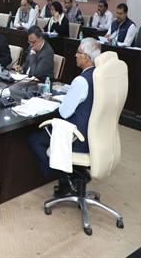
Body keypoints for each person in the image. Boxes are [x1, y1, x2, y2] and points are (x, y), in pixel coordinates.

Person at [28, 38, 101, 197]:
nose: (75, 55)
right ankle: (77, 175)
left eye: (78, 52)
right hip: (94, 137)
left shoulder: (81, 81)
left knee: (35, 139)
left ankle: (64, 178)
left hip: (77, 138)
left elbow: (64, 112)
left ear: (86, 57)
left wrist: (65, 101)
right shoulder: (99, 76)